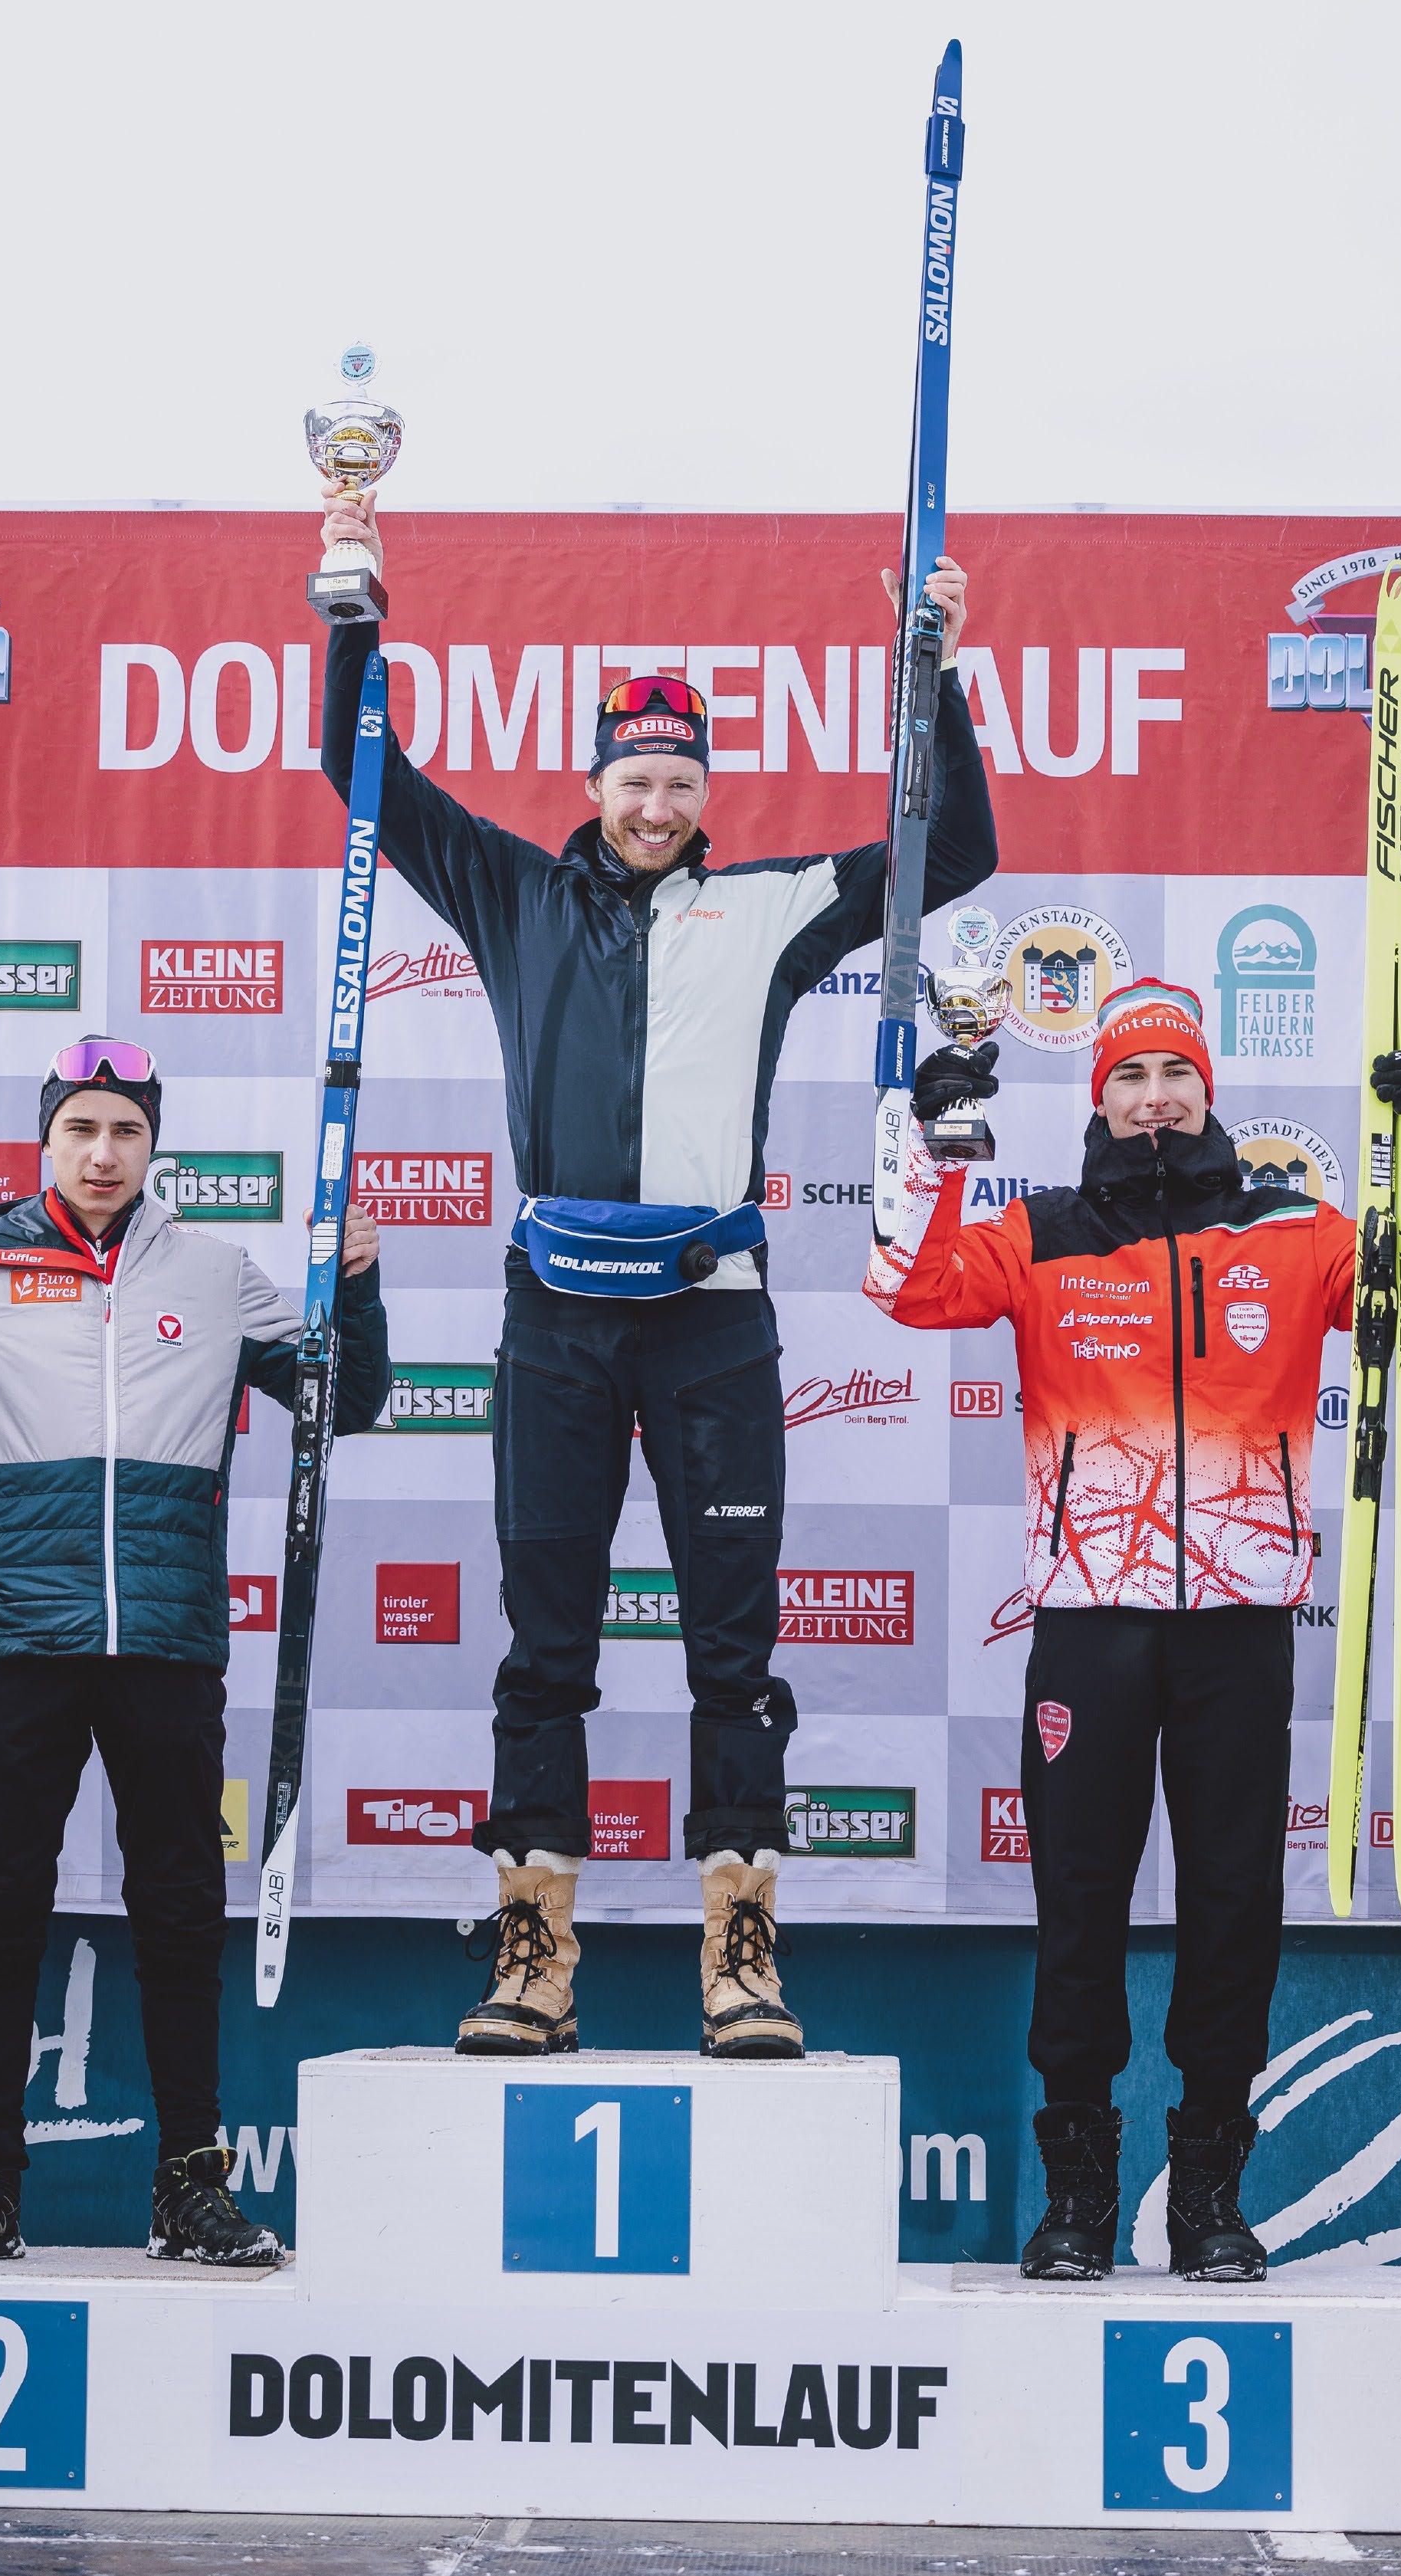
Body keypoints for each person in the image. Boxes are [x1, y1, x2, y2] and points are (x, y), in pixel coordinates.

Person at [318, 488, 997, 2059]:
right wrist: (353, 613)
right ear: (594, 783)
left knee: (732, 1654)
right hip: (557, 1317)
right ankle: (534, 1958)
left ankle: (739, 1955)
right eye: (633, 778)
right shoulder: (510, 890)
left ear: (706, 795)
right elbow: (360, 771)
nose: (655, 803)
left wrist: (936, 670)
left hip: (709, 1321)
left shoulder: (769, 907)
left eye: (680, 781)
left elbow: (954, 848)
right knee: (545, 1647)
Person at [865, 980, 1401, 2278]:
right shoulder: (1039, 1231)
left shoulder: (1292, 1230)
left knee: (1228, 1903)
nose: (1152, 1100)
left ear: (1207, 1092)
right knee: (1078, 1901)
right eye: (1128, 1077)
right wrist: (927, 1146)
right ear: (1098, 1097)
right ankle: (1077, 2200)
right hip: (1087, 1626)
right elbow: (905, 1289)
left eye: (1173, 1077)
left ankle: (1209, 2195)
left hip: (1236, 1628)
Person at [0, 1039, 391, 2265]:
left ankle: (190, 2190)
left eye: (124, 1131)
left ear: (153, 1143)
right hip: (18, 1638)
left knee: (179, 1913)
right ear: (46, 1139)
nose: (102, 1153)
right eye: (80, 1130)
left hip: (167, 1644)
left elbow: (348, 1404)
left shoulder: (216, 1273)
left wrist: (358, 1290)